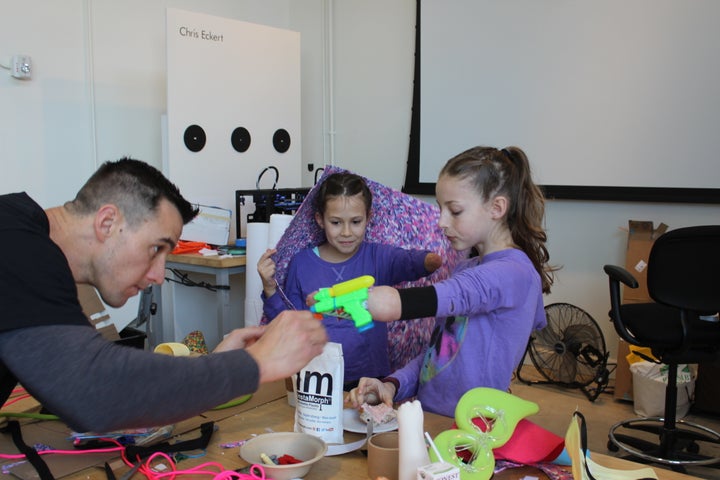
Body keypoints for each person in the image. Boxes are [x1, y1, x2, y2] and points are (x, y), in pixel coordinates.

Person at [0, 157, 327, 433]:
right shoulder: (15, 244)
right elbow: (97, 389)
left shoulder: (29, 245)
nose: (158, 276)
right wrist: (255, 363)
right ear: (107, 222)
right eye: (156, 248)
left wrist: (219, 365)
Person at [341, 146, 557, 417]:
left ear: (497, 208)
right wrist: (392, 384)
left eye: (454, 211)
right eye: (440, 208)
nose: (441, 222)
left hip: (474, 428)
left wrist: (366, 300)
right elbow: (440, 354)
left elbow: (453, 294)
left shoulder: (514, 273)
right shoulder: (466, 266)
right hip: (433, 416)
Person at [257, 172, 442, 389]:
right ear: (320, 220)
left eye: (355, 222)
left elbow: (412, 262)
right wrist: (270, 288)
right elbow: (288, 324)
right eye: (336, 222)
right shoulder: (302, 264)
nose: (346, 232)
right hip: (318, 379)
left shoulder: (378, 257)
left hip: (372, 380)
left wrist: (433, 258)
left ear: (368, 217)